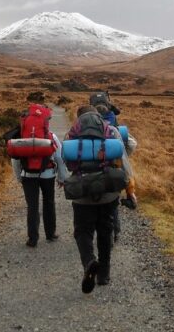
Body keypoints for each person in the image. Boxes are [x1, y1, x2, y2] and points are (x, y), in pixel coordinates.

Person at [64, 105, 133, 293]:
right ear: (98, 116)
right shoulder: (111, 130)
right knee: (105, 231)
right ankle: (104, 275)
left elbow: (68, 162)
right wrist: (129, 188)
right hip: (108, 191)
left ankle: (89, 262)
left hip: (82, 191)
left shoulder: (72, 133)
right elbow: (123, 161)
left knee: (82, 231)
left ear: (79, 118)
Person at [11, 105, 67, 248]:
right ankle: (50, 233)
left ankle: (32, 239)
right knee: (49, 202)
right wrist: (62, 177)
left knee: (32, 206)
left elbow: (15, 159)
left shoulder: (21, 137)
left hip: (28, 175)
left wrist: (19, 176)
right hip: (48, 174)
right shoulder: (51, 136)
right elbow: (60, 158)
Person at [94, 105, 138, 243]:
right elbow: (130, 147)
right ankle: (115, 232)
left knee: (96, 204)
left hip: (93, 172)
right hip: (114, 172)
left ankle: (97, 231)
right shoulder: (114, 130)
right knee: (113, 203)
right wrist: (130, 188)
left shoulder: (87, 130)